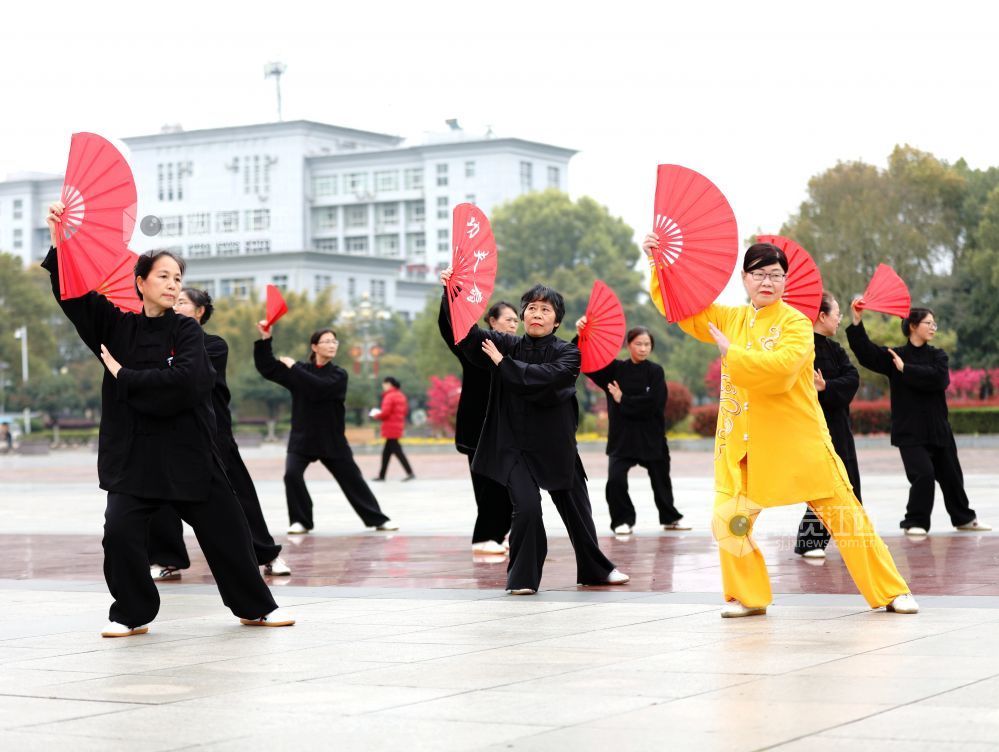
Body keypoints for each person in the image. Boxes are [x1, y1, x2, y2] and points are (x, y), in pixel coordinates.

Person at [42, 200, 293, 637]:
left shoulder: (188, 331)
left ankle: (255, 607)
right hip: (134, 455)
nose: (174, 284)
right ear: (139, 282)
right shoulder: (116, 327)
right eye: (163, 275)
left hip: (189, 452)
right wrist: (59, 239)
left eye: (178, 278)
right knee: (119, 534)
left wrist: (127, 378)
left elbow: (190, 384)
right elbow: (75, 295)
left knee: (229, 533)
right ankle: (131, 613)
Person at [643, 233, 917, 616]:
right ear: (744, 278)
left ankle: (890, 591)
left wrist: (731, 352)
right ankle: (749, 596)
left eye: (774, 274)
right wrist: (659, 263)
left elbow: (782, 371)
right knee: (728, 522)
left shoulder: (797, 324)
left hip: (799, 443)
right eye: (758, 274)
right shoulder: (729, 318)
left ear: (786, 281)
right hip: (745, 450)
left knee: (847, 519)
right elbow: (682, 308)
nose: (767, 282)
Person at [441, 267, 629, 594]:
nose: (536, 314)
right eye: (531, 308)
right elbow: (465, 335)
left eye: (545, 309)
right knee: (526, 507)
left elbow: (544, 378)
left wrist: (503, 365)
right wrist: (452, 293)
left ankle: (595, 569)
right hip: (514, 445)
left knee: (577, 511)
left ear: (557, 321)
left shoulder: (568, 353)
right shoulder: (506, 344)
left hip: (555, 444)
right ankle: (523, 579)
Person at [147, 288, 291, 580]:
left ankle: (267, 554)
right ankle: (167, 559)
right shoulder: (156, 344)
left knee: (239, 496)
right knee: (160, 494)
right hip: (169, 432)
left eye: (182, 302)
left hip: (213, 434)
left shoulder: (213, 345)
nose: (175, 306)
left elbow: (185, 377)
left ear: (200, 312)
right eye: (173, 302)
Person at [847, 302, 990, 536]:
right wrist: (856, 321)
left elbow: (939, 379)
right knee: (923, 475)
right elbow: (866, 353)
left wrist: (907, 370)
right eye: (928, 323)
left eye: (935, 323)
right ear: (913, 326)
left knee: (952, 476)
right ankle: (916, 522)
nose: (934, 327)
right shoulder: (895, 356)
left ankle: (964, 518)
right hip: (910, 432)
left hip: (938, 429)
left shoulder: (938, 356)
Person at [254, 324, 397, 534]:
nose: (332, 345)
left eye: (334, 341)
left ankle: (378, 519)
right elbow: (267, 367)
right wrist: (266, 339)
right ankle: (301, 521)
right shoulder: (301, 371)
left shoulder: (339, 374)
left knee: (352, 479)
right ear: (314, 347)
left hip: (332, 440)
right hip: (302, 438)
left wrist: (294, 367)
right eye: (327, 341)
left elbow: (319, 388)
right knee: (292, 475)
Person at [575, 320, 688, 535]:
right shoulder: (614, 369)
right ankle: (622, 520)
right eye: (639, 344)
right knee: (616, 481)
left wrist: (622, 399)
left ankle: (670, 518)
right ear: (628, 345)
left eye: (647, 344)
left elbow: (654, 403)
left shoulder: (656, 372)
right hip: (622, 437)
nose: (643, 348)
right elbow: (588, 362)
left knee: (661, 480)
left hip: (651, 437)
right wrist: (583, 336)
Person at [437, 297, 517, 554]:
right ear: (492, 321)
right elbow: (449, 330)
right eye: (508, 319)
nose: (514, 325)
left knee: (509, 485)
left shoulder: (517, 349)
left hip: (506, 429)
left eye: (517, 320)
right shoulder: (476, 347)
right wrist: (448, 295)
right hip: (478, 429)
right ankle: (484, 538)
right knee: (487, 485)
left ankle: (497, 535)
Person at [794, 292, 862, 559]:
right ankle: (811, 542)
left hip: (839, 424)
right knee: (824, 484)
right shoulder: (800, 347)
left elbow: (852, 377)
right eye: (837, 314)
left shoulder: (835, 349)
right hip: (812, 425)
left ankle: (852, 538)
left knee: (848, 482)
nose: (839, 320)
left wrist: (827, 386)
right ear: (822, 316)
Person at [371, 377, 415, 481]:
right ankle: (382, 476)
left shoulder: (389, 396)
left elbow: (386, 413)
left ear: (389, 384)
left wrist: (376, 415)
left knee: (397, 451)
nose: (383, 387)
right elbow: (404, 412)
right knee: (386, 453)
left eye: (384, 385)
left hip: (390, 427)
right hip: (397, 426)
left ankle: (410, 473)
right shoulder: (401, 395)